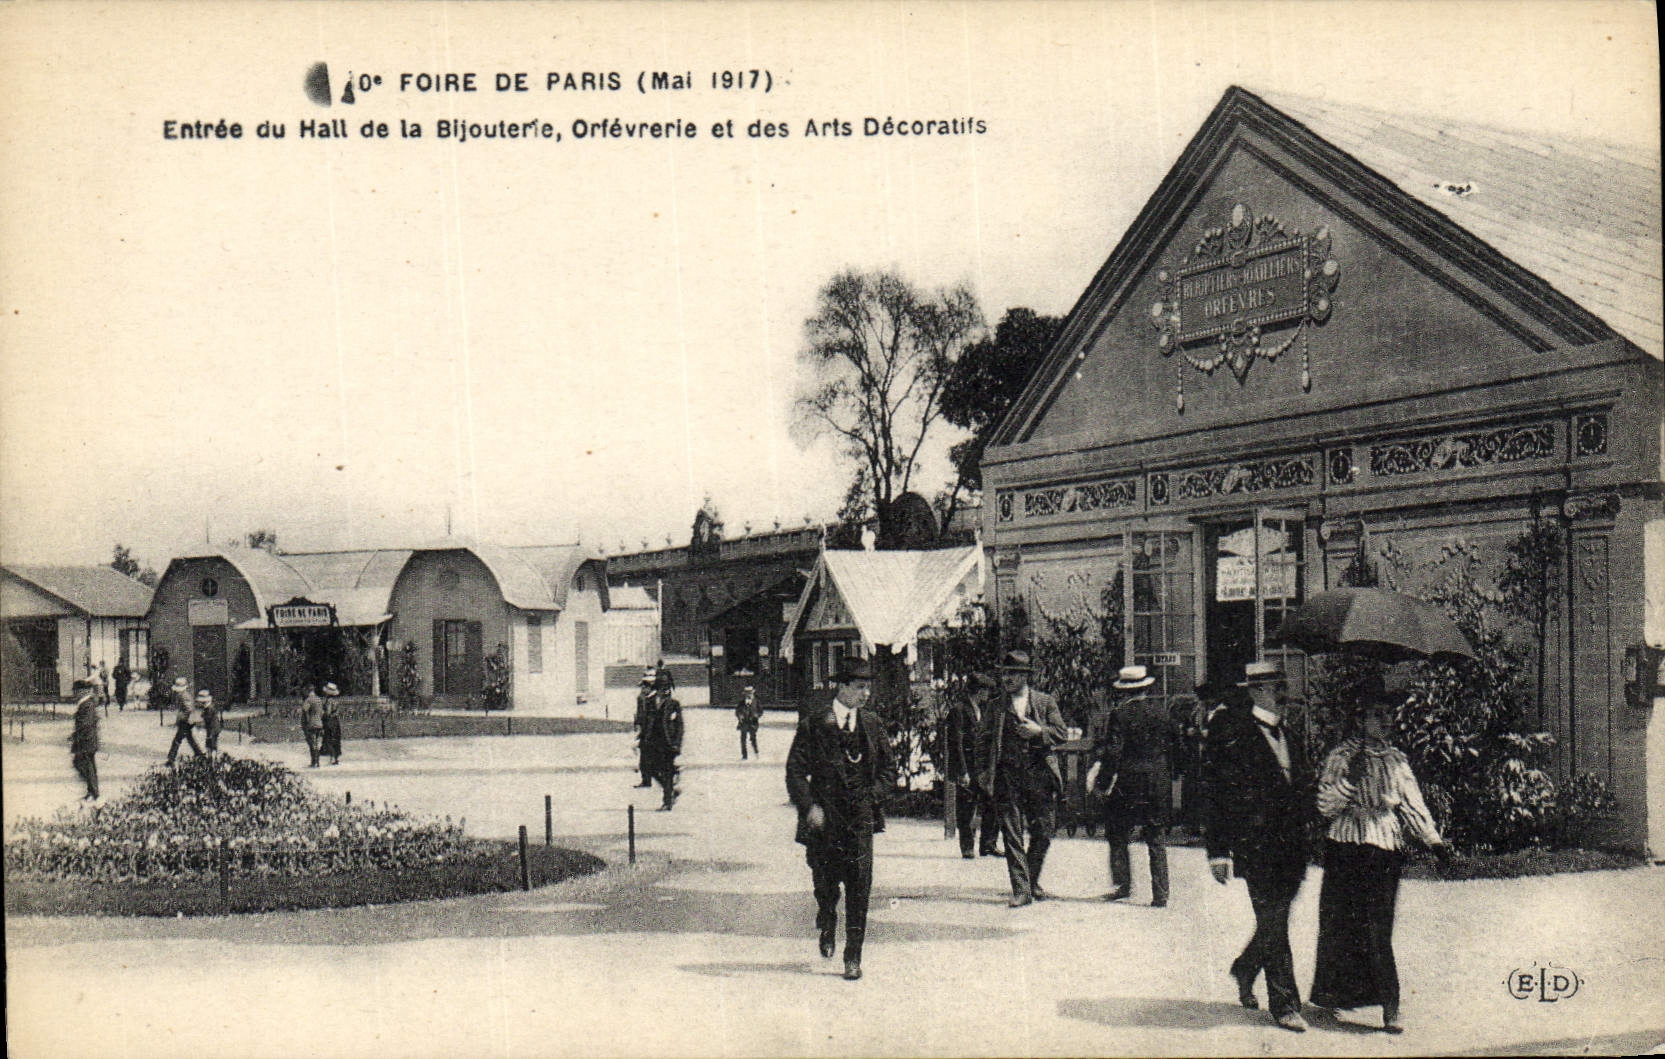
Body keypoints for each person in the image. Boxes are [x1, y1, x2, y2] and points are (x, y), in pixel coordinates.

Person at [1310, 690, 1449, 1034]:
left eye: (1388, 714)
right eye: (1376, 713)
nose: (1385, 721)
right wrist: (1348, 782)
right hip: (1344, 844)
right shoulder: (1341, 755)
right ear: (1360, 720)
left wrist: (1434, 841)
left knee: (1377, 928)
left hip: (1384, 846)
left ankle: (1391, 1005)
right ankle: (1334, 994)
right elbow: (1325, 806)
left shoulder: (1397, 761)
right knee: (1339, 921)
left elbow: (1411, 804)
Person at [1204, 660, 1314, 1032]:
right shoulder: (1233, 736)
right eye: (1272, 686)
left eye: (1282, 683)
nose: (1282, 692)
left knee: (1276, 919)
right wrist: (1217, 851)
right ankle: (1284, 1004)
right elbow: (1216, 796)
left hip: (1292, 849)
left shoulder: (1293, 737)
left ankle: (1246, 966)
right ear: (1254, 691)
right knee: (1274, 921)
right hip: (1256, 846)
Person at [785, 657, 894, 981]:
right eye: (860, 687)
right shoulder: (815, 724)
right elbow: (794, 771)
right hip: (825, 821)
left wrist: (872, 797)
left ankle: (853, 958)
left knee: (860, 887)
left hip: (860, 820)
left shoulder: (872, 725)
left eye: (868, 687)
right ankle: (827, 920)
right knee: (826, 884)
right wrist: (808, 807)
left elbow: (889, 770)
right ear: (843, 687)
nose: (866, 694)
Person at [978, 649, 1068, 907]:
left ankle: (1030, 878)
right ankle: (1021, 890)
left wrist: (1039, 732)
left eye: (1014, 674)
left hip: (1039, 775)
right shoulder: (996, 706)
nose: (1007, 678)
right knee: (1011, 834)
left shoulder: (1044, 702)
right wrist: (984, 773)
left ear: (1026, 676)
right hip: (1007, 776)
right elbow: (982, 741)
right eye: (1005, 673)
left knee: (1044, 831)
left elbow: (1061, 733)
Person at [1086, 665, 1173, 907]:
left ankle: (1123, 885)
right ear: (1146, 688)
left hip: (1130, 783)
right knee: (1156, 837)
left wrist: (1102, 784)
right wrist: (1169, 775)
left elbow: (1114, 753)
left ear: (1124, 691)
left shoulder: (1120, 715)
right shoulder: (1162, 713)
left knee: (1117, 832)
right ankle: (1161, 894)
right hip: (1157, 781)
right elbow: (1173, 747)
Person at [944, 671, 1001, 859]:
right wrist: (962, 771)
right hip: (967, 768)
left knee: (992, 804)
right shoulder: (959, 710)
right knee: (966, 808)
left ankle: (988, 845)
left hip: (982, 768)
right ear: (979, 691)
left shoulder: (984, 710)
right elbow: (956, 743)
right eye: (986, 691)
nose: (988, 695)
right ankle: (967, 847)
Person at [640, 671, 684, 809]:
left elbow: (679, 726)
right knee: (651, 769)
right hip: (653, 742)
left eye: (666, 688)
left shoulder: (674, 705)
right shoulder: (650, 702)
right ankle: (671, 790)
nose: (664, 691)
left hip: (668, 744)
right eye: (661, 688)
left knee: (667, 771)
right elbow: (647, 723)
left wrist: (677, 743)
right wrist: (641, 739)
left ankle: (667, 801)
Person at [70, 679, 101, 800]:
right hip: (86, 740)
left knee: (84, 765)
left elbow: (86, 723)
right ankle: (92, 791)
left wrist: (77, 735)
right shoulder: (86, 703)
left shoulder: (87, 704)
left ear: (82, 691)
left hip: (87, 741)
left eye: (76, 692)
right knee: (86, 765)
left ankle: (93, 792)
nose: (74, 694)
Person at [165, 677, 204, 764]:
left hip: (186, 721)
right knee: (189, 738)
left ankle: (171, 759)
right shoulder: (182, 695)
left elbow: (189, 709)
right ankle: (199, 754)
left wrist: (182, 718)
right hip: (186, 721)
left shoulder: (184, 695)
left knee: (177, 740)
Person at [632, 668, 657, 788]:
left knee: (647, 756)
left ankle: (649, 779)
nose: (642, 689)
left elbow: (646, 716)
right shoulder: (646, 697)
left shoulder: (649, 699)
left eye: (644, 687)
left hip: (649, 731)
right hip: (646, 730)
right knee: (644, 756)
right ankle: (646, 779)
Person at [301, 685, 325, 768]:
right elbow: (322, 712)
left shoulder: (308, 700)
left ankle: (313, 761)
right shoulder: (319, 700)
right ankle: (317, 761)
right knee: (318, 743)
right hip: (319, 723)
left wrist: (306, 723)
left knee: (312, 744)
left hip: (311, 724)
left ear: (308, 691)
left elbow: (305, 711)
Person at [320, 682, 344, 765]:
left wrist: (322, 713)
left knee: (329, 739)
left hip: (330, 721)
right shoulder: (336, 701)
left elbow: (328, 713)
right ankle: (335, 758)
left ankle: (332, 757)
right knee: (336, 739)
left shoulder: (329, 701)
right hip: (335, 720)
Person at [736, 684, 762, 760]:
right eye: (747, 693)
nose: (748, 694)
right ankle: (744, 755)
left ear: (753, 693)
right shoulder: (741, 702)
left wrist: (756, 715)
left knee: (753, 738)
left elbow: (760, 711)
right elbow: (737, 711)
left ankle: (756, 753)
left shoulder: (756, 701)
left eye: (750, 692)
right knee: (743, 739)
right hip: (744, 723)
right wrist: (740, 716)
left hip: (752, 723)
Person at [198, 689, 222, 753]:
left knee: (211, 743)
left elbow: (208, 718)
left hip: (213, 728)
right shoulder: (207, 707)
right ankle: (211, 754)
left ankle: (212, 756)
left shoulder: (209, 708)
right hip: (211, 728)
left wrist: (203, 716)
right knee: (210, 742)